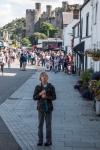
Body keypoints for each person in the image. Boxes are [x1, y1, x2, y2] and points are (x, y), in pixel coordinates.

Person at [33, 72, 56, 146]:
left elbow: (54, 97)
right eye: (43, 76)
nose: (44, 77)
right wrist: (40, 94)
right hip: (41, 108)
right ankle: (40, 139)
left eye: (46, 76)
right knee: (40, 124)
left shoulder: (51, 86)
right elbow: (34, 97)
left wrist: (46, 97)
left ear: (47, 78)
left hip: (49, 108)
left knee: (48, 124)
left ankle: (49, 140)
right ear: (40, 78)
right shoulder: (38, 87)